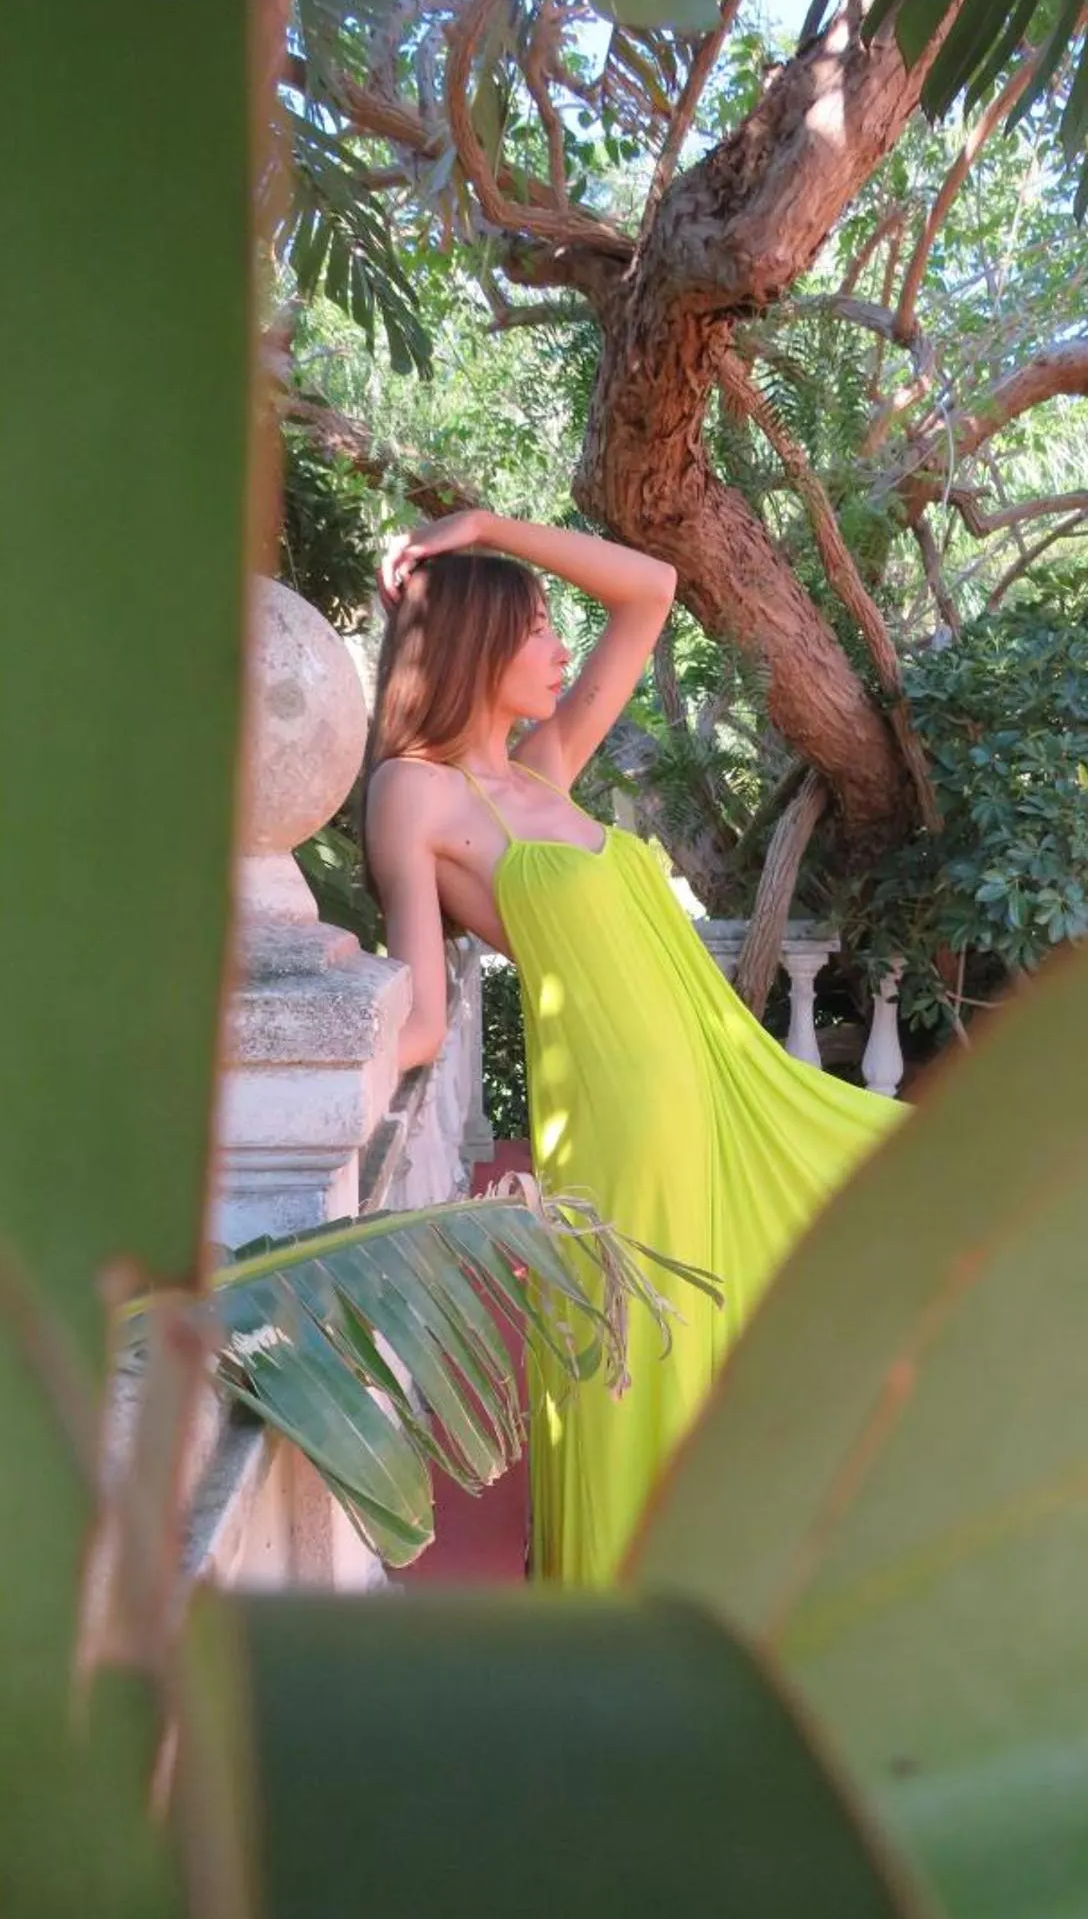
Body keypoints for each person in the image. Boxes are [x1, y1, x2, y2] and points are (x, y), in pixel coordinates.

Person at [363, 506, 909, 1586]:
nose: (558, 644)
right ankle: (636, 1601)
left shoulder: (544, 768)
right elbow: (423, 1017)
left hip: (712, 1076)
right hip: (619, 1110)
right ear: (473, 644)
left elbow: (650, 588)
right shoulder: (412, 792)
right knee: (655, 1346)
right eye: (531, 627)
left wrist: (490, 528)